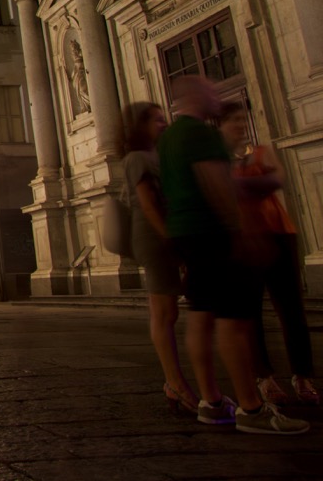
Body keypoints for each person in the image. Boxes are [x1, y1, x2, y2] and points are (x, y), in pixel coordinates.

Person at [158, 76, 307, 434]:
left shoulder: (167, 138)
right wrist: (243, 232)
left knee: (200, 317)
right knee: (235, 323)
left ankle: (211, 402)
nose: (216, 95)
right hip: (214, 234)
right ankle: (252, 410)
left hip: (186, 234)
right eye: (210, 91)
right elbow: (217, 184)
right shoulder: (201, 135)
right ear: (196, 97)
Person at [217, 101, 319, 406]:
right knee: (251, 314)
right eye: (233, 120)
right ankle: (264, 377)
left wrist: (240, 183)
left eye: (242, 119)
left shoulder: (262, 152)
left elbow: (277, 179)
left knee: (292, 311)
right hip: (244, 239)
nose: (240, 125)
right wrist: (253, 182)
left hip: (279, 233)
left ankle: (302, 375)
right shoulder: (219, 161)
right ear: (220, 126)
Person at [122, 101, 198, 414]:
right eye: (156, 120)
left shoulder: (155, 155)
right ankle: (174, 383)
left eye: (164, 118)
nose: (163, 123)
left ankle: (174, 381)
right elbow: (150, 205)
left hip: (163, 232)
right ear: (139, 126)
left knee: (167, 311)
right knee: (164, 311)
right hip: (154, 236)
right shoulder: (137, 157)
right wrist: (172, 240)